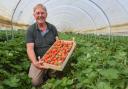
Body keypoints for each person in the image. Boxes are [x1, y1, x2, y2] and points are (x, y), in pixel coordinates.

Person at [26, 3, 58, 86]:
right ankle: (43, 74)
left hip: (52, 59)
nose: (40, 15)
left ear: (46, 14)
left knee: (55, 76)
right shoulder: (31, 30)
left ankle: (49, 73)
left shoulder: (52, 28)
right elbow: (30, 48)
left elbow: (58, 44)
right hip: (39, 60)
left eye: (42, 13)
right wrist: (35, 62)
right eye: (38, 13)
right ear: (34, 15)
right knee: (34, 82)